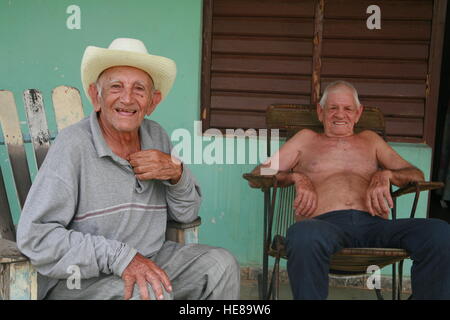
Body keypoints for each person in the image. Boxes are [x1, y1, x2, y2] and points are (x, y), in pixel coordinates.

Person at [16, 38, 240, 300]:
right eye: (116, 87)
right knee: (147, 295)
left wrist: (176, 174)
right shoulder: (73, 146)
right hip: (83, 278)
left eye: (139, 89)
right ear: (95, 96)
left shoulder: (157, 136)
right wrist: (120, 256)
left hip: (152, 258)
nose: (127, 98)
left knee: (221, 266)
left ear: (152, 102)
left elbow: (186, 213)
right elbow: (36, 236)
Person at [250, 80, 450, 300]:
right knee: (302, 234)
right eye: (333, 108)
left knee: (439, 233)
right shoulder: (305, 139)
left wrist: (387, 175)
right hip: (323, 226)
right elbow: (259, 175)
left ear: (358, 113)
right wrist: (296, 177)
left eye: (347, 109)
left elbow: (416, 175)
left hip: (375, 227)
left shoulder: (370, 140)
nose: (340, 114)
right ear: (320, 111)